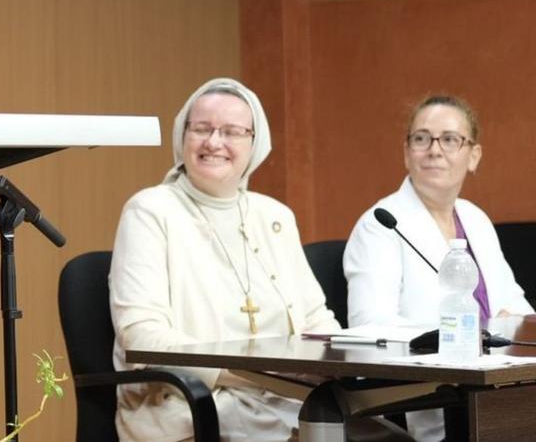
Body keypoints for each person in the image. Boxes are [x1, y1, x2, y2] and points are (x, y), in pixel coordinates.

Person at [110, 78, 340, 441]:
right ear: (182, 135)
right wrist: (256, 375)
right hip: (192, 405)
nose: (213, 142)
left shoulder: (274, 215)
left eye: (231, 131)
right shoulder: (150, 211)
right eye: (201, 128)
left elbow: (317, 318)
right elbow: (143, 338)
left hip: (286, 398)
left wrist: (338, 368)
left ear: (255, 143)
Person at [344, 94, 532, 440]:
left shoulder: (476, 219)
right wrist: (451, 335)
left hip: (495, 383)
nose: (434, 149)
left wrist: (511, 324)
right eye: (421, 138)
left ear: (473, 155)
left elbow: (515, 307)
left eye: (449, 139)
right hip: (430, 394)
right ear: (406, 152)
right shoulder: (381, 224)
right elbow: (369, 326)